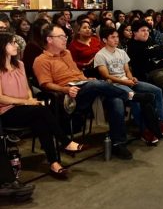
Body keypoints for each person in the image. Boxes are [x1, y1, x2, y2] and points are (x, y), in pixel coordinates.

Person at [33, 25, 138, 160]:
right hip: (68, 96)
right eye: (61, 37)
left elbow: (77, 74)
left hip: (83, 87)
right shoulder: (41, 60)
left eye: (65, 36)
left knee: (115, 100)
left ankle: (118, 143)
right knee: (97, 84)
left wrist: (86, 79)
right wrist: (65, 89)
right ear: (49, 40)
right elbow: (45, 84)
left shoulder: (67, 53)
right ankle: (129, 95)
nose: (65, 39)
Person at [0, 32, 84, 178]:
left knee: (41, 120)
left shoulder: (19, 64)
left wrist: (30, 100)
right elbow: (1, 97)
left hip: (25, 107)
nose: (16, 45)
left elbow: (27, 87)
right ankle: (65, 142)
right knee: (41, 111)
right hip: (7, 111)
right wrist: (27, 102)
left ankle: (54, 163)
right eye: (12, 43)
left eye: (15, 42)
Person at [94, 27, 163, 144]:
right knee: (134, 98)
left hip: (127, 81)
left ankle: (160, 122)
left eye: (117, 37)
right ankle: (144, 130)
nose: (116, 39)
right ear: (104, 40)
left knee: (157, 90)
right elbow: (106, 76)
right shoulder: (100, 55)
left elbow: (127, 70)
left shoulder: (121, 52)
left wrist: (131, 77)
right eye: (112, 37)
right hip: (115, 85)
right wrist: (125, 82)